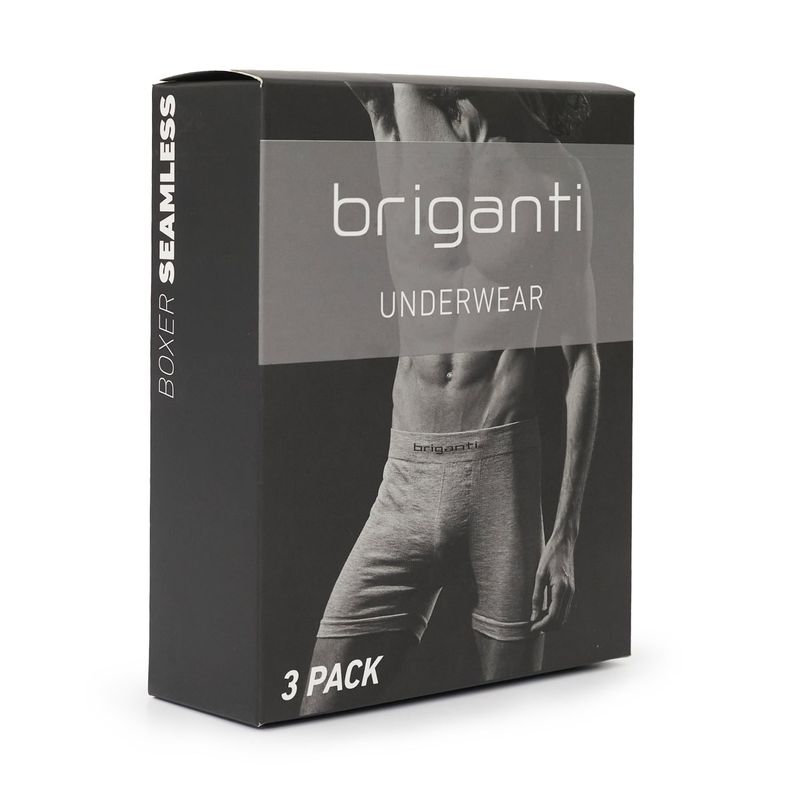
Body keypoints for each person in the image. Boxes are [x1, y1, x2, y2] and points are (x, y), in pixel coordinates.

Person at [301, 82, 600, 715]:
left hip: (500, 477)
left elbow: (583, 362)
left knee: (510, 712)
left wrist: (566, 535)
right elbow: (370, 88)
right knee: (319, 707)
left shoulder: (556, 175)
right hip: (405, 474)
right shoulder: (405, 105)